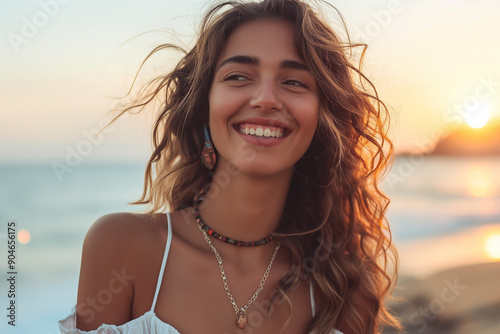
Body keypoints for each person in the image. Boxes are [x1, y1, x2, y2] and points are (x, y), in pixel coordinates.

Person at [59, 0, 400, 333]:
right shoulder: (122, 247)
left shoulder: (344, 285)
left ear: (322, 116)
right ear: (204, 105)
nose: (265, 98)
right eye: (238, 76)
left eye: (294, 82)